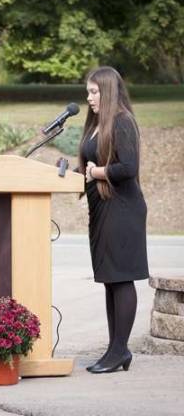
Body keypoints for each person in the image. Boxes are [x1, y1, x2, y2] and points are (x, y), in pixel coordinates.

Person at [78, 66, 149, 374]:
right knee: (110, 279)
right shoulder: (96, 124)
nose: (89, 97)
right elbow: (91, 162)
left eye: (94, 91)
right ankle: (115, 349)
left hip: (123, 209)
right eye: (88, 92)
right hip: (102, 208)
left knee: (121, 278)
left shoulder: (122, 121)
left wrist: (95, 172)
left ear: (107, 91)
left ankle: (119, 350)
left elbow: (128, 167)